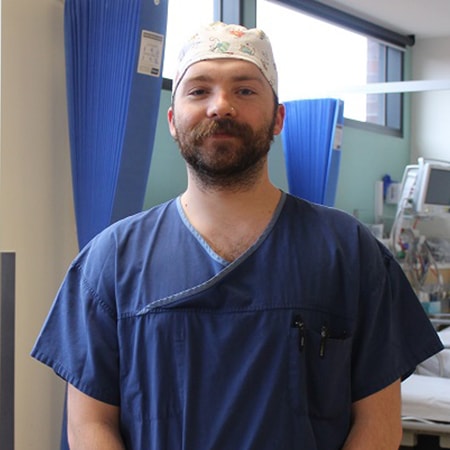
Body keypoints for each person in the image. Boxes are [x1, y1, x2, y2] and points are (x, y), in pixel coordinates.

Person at [32, 22, 443, 450]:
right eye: (198, 90)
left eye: (245, 90)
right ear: (173, 122)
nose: (221, 106)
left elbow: (378, 423)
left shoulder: (349, 253)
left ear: (278, 118)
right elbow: (89, 427)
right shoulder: (110, 262)